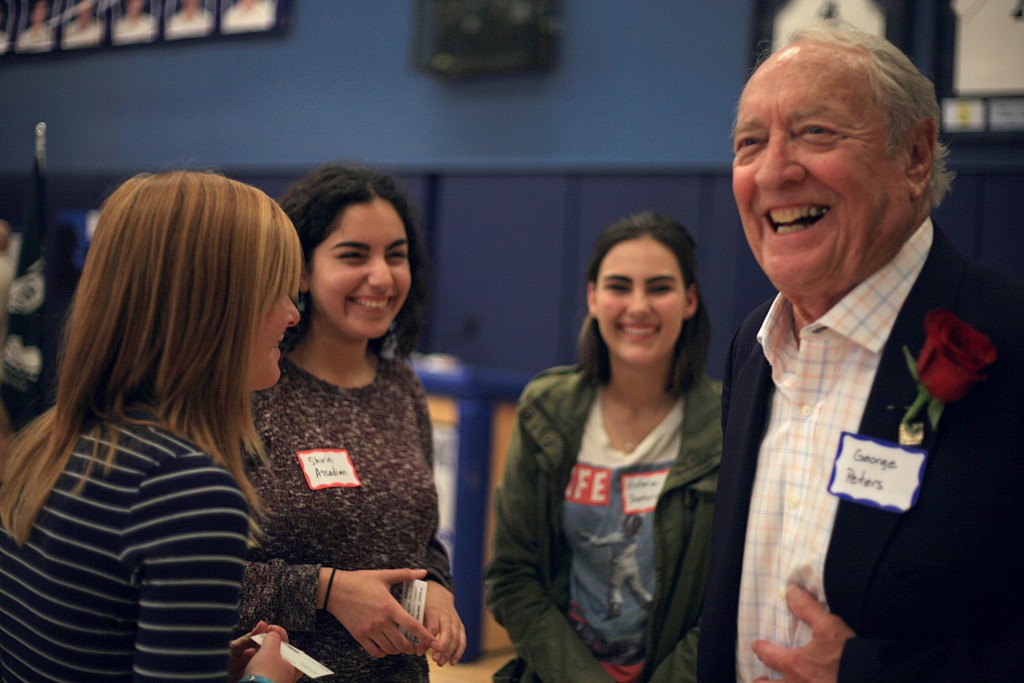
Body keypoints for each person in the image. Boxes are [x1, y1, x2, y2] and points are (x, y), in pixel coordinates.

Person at [697, 21, 1024, 683]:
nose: (775, 170)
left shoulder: (1010, 336)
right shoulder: (750, 348)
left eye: (816, 132)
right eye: (749, 143)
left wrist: (866, 670)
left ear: (915, 155)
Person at [0, 170, 303, 683]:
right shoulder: (189, 490)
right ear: (211, 309)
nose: (292, 314)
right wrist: (267, 679)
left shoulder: (50, 442)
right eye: (275, 291)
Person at [237, 163, 466, 682]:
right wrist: (328, 589)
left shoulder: (401, 387)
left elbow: (421, 535)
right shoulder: (252, 388)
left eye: (396, 255)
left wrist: (437, 585)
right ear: (300, 270)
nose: (381, 277)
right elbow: (198, 578)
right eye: (353, 255)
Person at [486, 212, 722, 683]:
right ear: (592, 297)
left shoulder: (728, 421)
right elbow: (513, 579)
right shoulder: (546, 411)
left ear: (690, 300)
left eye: (659, 288)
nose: (638, 306)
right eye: (619, 287)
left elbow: (730, 593)